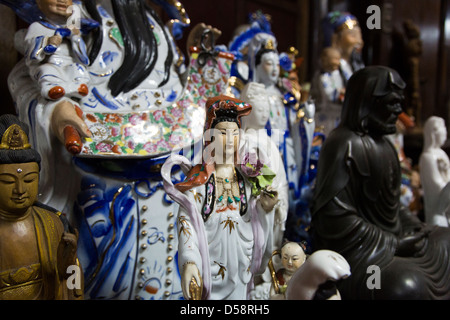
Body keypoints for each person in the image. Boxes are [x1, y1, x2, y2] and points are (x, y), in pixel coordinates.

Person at [5, 0, 232, 300]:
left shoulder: (152, 19)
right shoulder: (76, 16)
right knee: (108, 274)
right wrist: (57, 111)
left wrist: (196, 62)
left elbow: (176, 83)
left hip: (169, 175)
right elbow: (32, 74)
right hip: (105, 182)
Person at [311, 66, 450, 299]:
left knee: (446, 239)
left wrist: (416, 227)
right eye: (391, 103)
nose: (399, 110)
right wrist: (393, 243)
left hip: (390, 241)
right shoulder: (344, 144)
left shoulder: (386, 146)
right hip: (362, 252)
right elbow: (332, 217)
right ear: (367, 103)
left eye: (400, 103)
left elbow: (393, 206)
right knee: (404, 285)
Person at [162, 95, 278, 300]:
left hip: (242, 268)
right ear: (210, 136)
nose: (231, 139)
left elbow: (255, 219)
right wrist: (189, 262)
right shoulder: (199, 182)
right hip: (211, 271)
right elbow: (186, 222)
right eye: (224, 133)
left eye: (235, 133)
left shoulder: (249, 176)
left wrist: (266, 208)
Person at [0, 114, 82, 300]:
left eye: (29, 180)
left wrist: (67, 267)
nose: (20, 190)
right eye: (7, 182)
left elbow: (73, 276)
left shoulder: (52, 223)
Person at [23, 0, 91, 100]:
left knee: (77, 69)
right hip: (49, 63)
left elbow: (83, 57)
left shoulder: (73, 29)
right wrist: (47, 41)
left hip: (68, 63)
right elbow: (30, 48)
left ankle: (78, 88)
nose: (62, 1)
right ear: (39, 3)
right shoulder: (37, 27)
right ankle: (52, 89)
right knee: (47, 71)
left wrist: (75, 38)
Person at [419, 116, 450, 227]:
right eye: (443, 129)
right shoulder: (427, 157)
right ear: (433, 133)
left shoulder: (442, 153)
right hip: (437, 210)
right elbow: (436, 186)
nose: (445, 132)